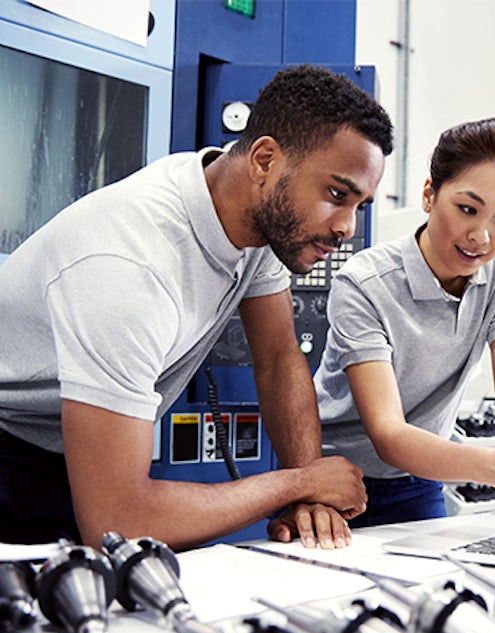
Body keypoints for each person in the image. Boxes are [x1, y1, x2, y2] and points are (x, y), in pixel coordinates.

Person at [0, 65, 393, 551]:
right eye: (337, 194)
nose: (347, 228)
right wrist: (299, 484)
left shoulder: (255, 221)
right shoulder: (128, 264)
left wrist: (308, 491)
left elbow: (277, 358)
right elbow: (115, 523)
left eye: (361, 205)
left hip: (76, 450)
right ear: (265, 160)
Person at [312, 118, 495, 527]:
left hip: (419, 477)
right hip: (333, 482)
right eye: (468, 210)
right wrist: (491, 466)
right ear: (429, 195)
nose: (482, 237)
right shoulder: (364, 283)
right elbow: (387, 433)